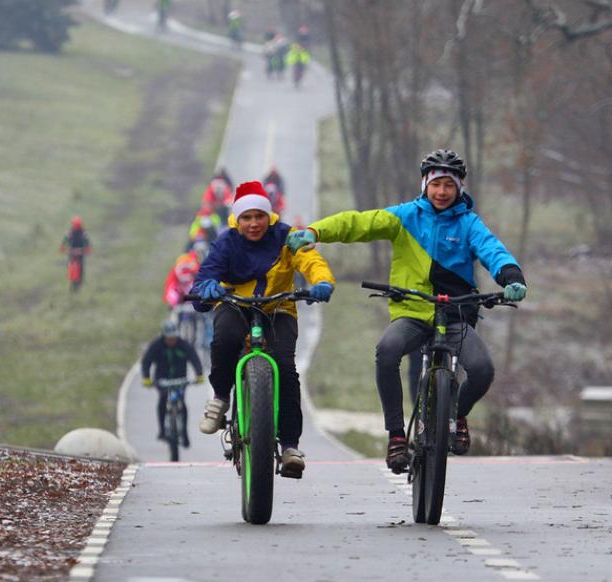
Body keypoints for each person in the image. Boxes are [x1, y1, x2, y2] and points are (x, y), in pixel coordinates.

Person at [285, 149, 528, 473]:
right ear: (425, 185)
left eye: (449, 186)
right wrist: (316, 232)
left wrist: (510, 275)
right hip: (413, 312)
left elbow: (492, 250)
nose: (442, 192)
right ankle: (397, 435)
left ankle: (457, 414)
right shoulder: (405, 217)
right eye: (436, 184)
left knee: (482, 369)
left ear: (459, 188)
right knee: (387, 351)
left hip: (455, 314)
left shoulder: (469, 224)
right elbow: (358, 223)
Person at [191, 180, 335, 478]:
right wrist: (206, 287)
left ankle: (290, 447)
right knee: (225, 339)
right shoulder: (226, 242)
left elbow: (310, 260)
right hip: (235, 304)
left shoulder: (287, 237)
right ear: (237, 219)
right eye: (247, 217)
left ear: (269, 217)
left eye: (259, 216)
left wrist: (321, 282)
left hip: (278, 307)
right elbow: (207, 273)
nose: (254, 223)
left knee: (285, 367)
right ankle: (220, 397)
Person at [142, 319, 205, 446]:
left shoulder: (183, 344)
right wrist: (146, 377)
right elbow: (146, 361)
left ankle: (185, 433)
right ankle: (162, 431)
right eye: (169, 338)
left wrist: (199, 374)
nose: (172, 341)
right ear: (164, 336)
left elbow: (194, 358)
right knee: (163, 399)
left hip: (179, 379)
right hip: (162, 379)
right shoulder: (156, 345)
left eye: (174, 338)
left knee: (181, 401)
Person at [59, 216, 92, 291]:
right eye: (75, 225)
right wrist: (64, 247)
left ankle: (79, 283)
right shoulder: (71, 233)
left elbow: (88, 244)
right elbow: (64, 241)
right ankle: (73, 283)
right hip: (72, 253)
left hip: (80, 253)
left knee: (80, 267)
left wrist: (85, 249)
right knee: (70, 266)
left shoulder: (83, 233)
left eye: (77, 225)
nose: (76, 227)